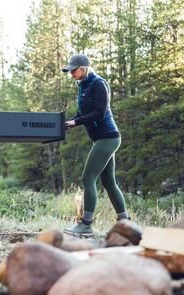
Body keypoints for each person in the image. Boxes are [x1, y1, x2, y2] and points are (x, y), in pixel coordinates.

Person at [62, 54, 129, 236]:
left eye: (73, 70)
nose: (71, 73)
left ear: (83, 68)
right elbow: (82, 113)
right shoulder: (83, 85)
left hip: (108, 137)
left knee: (88, 178)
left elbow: (99, 112)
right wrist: (70, 122)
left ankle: (86, 225)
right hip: (101, 138)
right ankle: (125, 225)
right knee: (108, 182)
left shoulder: (99, 83)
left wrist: (77, 122)